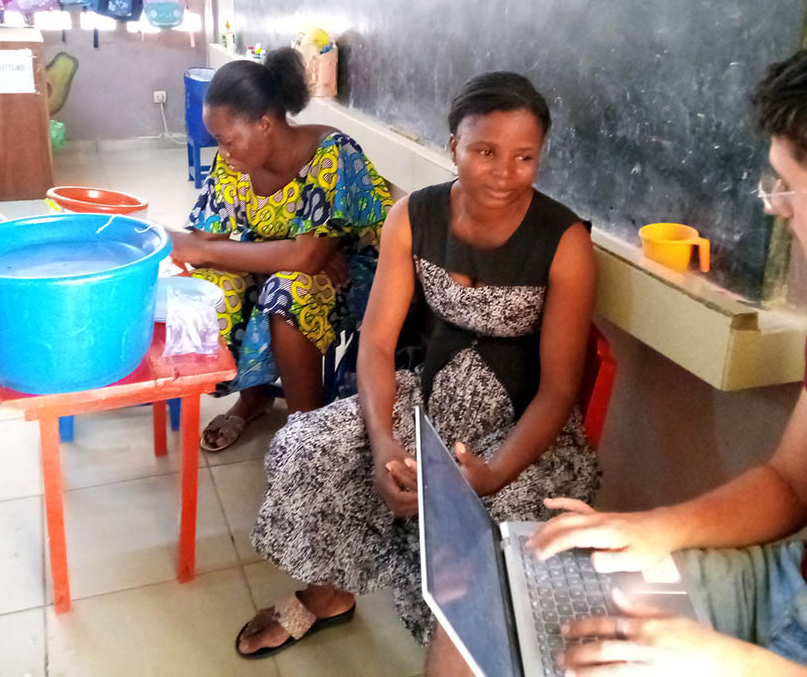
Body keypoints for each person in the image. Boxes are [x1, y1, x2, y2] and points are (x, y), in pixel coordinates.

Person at [524, 19, 807, 677]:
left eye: (789, 185)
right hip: (793, 586)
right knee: (519, 600)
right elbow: (791, 481)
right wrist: (657, 527)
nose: (774, 205)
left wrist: (729, 663)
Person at [234, 71, 602, 662]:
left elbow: (559, 390)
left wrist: (495, 472)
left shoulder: (564, 241)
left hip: (520, 432)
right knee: (308, 444)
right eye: (485, 151)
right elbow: (377, 345)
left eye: (524, 157)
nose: (504, 173)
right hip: (426, 402)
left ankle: (464, 654)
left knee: (488, 531)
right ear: (453, 145)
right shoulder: (412, 216)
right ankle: (328, 593)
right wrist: (384, 446)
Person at [169, 48, 392, 451]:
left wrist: (297, 253)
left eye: (227, 140)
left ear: (265, 124)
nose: (223, 152)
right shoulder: (234, 162)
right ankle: (253, 394)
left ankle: (303, 436)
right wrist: (178, 243)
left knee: (289, 291)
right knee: (212, 286)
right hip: (293, 261)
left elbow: (304, 258)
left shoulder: (331, 155)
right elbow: (209, 239)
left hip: (359, 275)